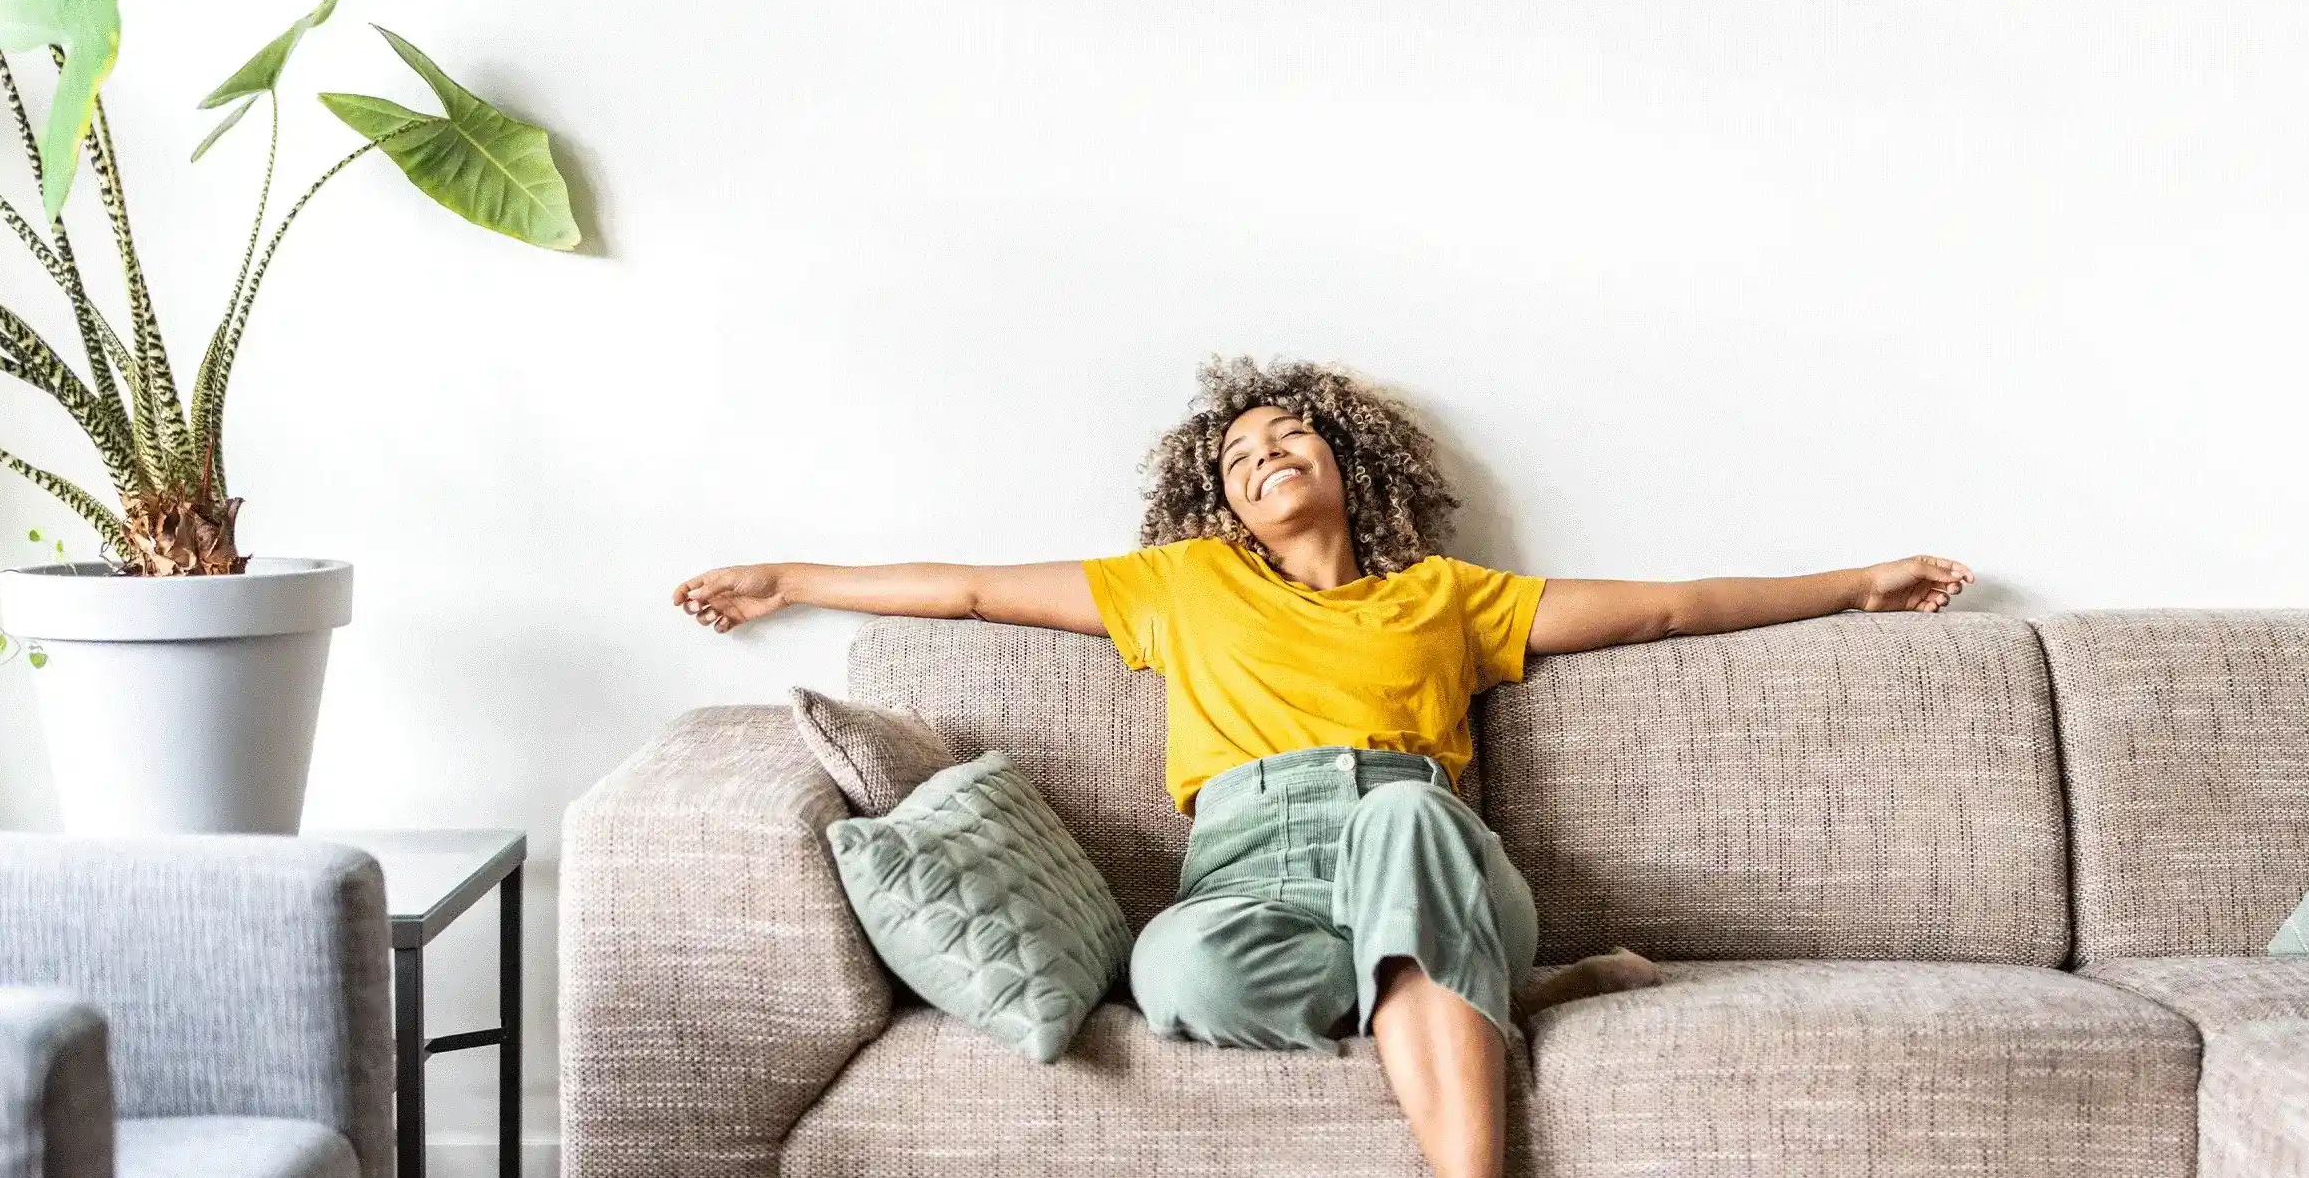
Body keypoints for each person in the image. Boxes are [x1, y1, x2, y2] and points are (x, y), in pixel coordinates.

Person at [672, 356, 1974, 1178]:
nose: (1265, 457)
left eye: (1289, 438)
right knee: (1171, 968)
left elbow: (1666, 609)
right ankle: (1533, 984)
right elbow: (960, 589)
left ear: (1346, 463)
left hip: (1407, 830)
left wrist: (1856, 584)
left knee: (1405, 829)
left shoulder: (1444, 600)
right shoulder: (1181, 587)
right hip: (1249, 869)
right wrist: (787, 575)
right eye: (1239, 458)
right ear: (1221, 504)